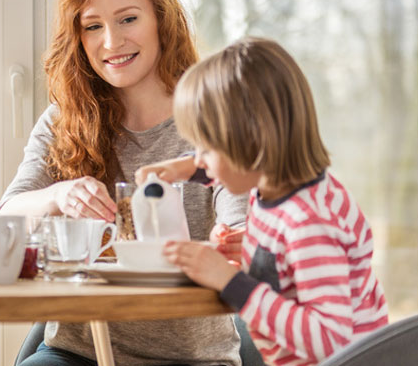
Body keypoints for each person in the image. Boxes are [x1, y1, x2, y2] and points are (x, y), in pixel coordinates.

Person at [0, 0, 247, 366]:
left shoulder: (215, 119)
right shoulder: (64, 120)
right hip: (75, 353)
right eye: (93, 26)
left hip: (191, 359)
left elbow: (240, 225)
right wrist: (59, 195)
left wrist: (236, 241)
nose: (111, 42)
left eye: (128, 19)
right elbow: (7, 215)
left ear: (161, 22)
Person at [156, 37, 388, 365]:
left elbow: (331, 340)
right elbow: (226, 169)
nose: (201, 159)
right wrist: (180, 168)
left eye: (206, 148)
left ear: (249, 141)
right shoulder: (274, 185)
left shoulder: (309, 221)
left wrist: (229, 281)